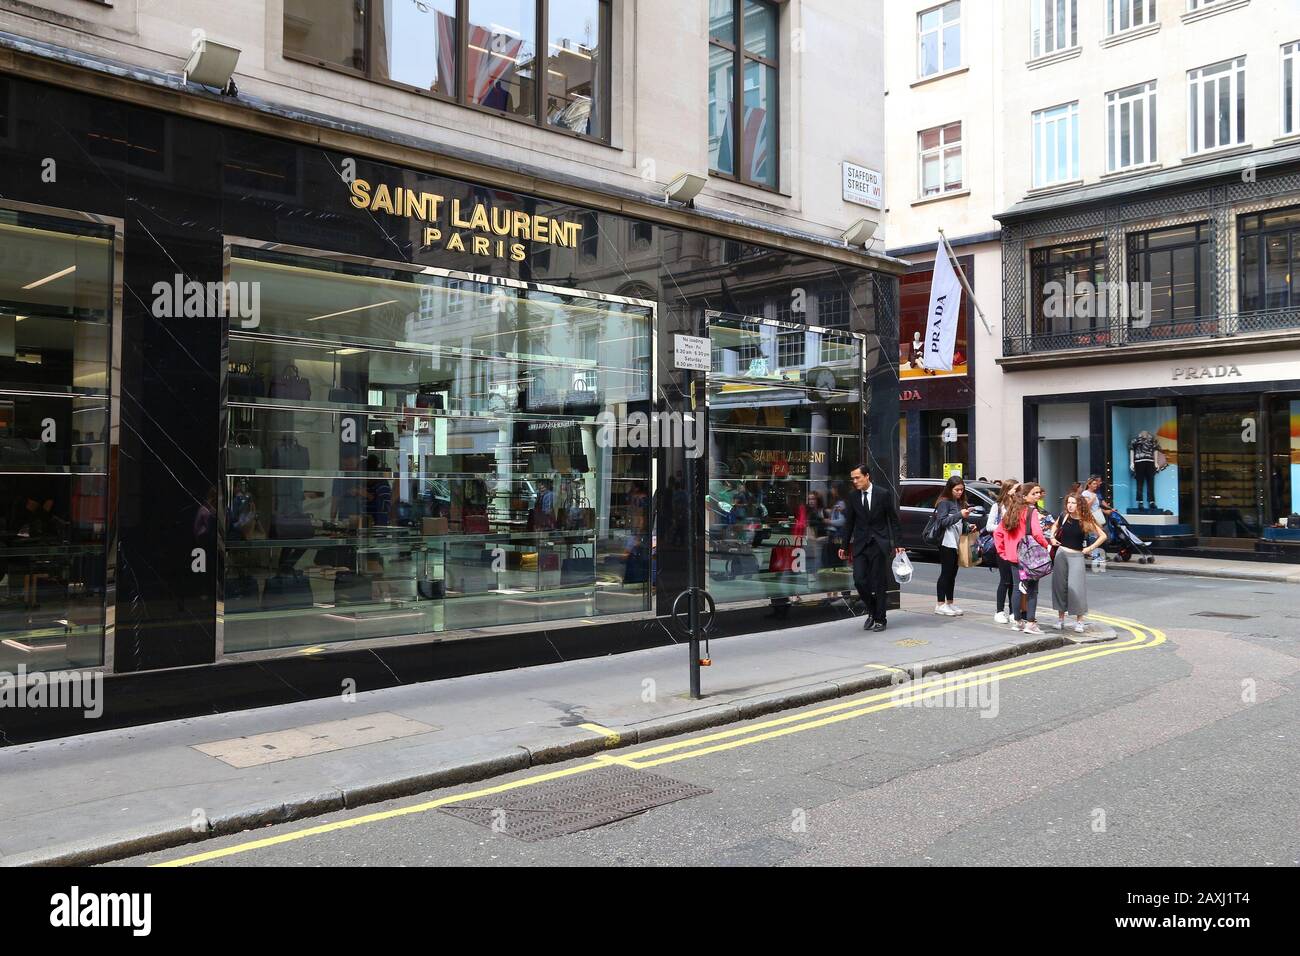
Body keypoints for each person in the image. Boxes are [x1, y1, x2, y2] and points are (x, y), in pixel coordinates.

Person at [837, 465, 904, 632]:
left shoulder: (883, 494)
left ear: (867, 476)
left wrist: (898, 543)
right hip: (860, 544)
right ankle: (873, 611)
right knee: (859, 580)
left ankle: (880, 618)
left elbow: (893, 520)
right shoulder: (853, 496)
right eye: (853, 478)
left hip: (878, 544)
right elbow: (849, 522)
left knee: (879, 582)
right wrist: (844, 545)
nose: (854, 481)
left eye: (857, 477)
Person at [994, 482, 1052, 635]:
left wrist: (1003, 552)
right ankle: (1031, 623)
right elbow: (1038, 534)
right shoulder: (1031, 511)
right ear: (1025, 496)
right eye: (1034, 493)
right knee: (1032, 590)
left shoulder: (1012, 510)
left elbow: (998, 533)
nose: (1037, 496)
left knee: (1017, 588)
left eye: (1038, 493)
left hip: (1014, 557)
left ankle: (1018, 621)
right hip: (1028, 558)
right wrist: (1046, 546)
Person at [1049, 491, 1108, 635]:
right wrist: (1051, 537)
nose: (1070, 505)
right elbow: (1054, 527)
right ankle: (1060, 620)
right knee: (1059, 587)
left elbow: (1103, 535)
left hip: (1076, 556)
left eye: (1073, 503)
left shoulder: (1085, 519)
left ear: (1079, 504)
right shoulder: (1064, 516)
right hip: (1061, 554)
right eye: (1068, 502)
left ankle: (1079, 621)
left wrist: (1090, 548)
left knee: (1076, 589)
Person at [932, 475, 974, 616]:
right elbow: (943, 522)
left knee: (953, 574)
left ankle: (949, 603)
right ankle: (939, 604)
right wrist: (960, 515)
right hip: (946, 542)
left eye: (961, 490)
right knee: (946, 573)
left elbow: (959, 523)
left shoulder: (959, 503)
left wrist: (968, 526)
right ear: (949, 489)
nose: (959, 492)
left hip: (956, 542)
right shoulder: (944, 503)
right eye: (956, 490)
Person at [985, 478, 1019, 624]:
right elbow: (989, 526)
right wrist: (1004, 527)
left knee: (1014, 582)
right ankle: (999, 611)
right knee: (1005, 580)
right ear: (1008, 490)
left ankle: (1012, 611)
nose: (1018, 492)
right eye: (1016, 489)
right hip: (1002, 547)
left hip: (1016, 547)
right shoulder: (997, 507)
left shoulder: (1019, 506)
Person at [1080, 476, 1108, 572]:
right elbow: (1087, 506)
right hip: (1090, 518)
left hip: (1097, 517)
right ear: (1089, 484)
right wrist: (1093, 498)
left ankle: (1095, 555)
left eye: (1096, 484)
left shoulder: (1094, 493)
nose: (1096, 485)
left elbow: (1097, 506)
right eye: (1094, 484)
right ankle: (1095, 555)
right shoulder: (1085, 493)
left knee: (1097, 536)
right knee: (1093, 536)